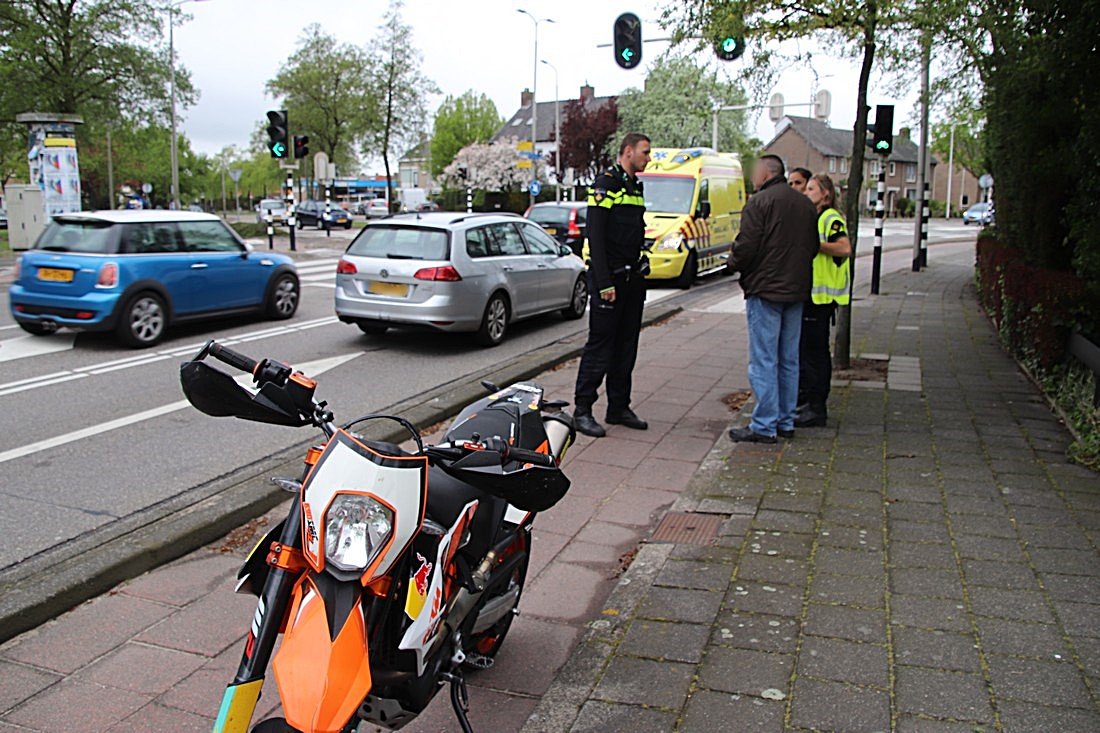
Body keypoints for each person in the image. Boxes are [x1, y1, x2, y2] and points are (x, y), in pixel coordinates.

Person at [727, 155, 819, 443]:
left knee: (764, 359)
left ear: (766, 173)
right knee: (789, 359)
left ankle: (764, 424)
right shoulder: (804, 203)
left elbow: (747, 246)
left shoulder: (760, 202)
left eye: (755, 171)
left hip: (765, 290)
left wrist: (732, 263)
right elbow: (813, 246)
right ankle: (785, 420)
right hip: (796, 290)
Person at [573, 133, 652, 438]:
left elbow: (633, 232)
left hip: (633, 278)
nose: (648, 157)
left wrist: (643, 257)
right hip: (610, 279)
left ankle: (618, 406)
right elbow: (596, 234)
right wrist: (604, 282)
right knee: (601, 345)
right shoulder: (606, 184)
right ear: (628, 151)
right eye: (645, 152)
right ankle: (582, 409)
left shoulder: (635, 186)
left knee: (626, 346)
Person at [796, 173, 852, 427]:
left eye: (811, 189)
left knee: (816, 354)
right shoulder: (815, 217)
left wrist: (816, 245)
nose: (806, 193)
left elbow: (844, 248)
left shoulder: (830, 218)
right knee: (807, 351)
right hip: (812, 295)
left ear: (825, 194)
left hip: (822, 297)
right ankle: (808, 403)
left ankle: (817, 407)